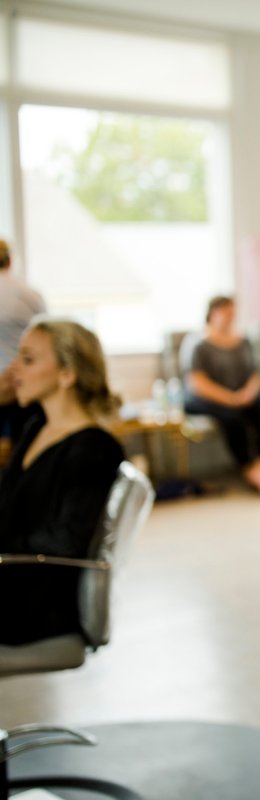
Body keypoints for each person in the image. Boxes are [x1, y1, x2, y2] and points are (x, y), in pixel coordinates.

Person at [0, 318, 125, 645]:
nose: (14, 369)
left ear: (67, 374)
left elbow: (65, 541)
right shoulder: (36, 427)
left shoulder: (94, 448)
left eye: (28, 360)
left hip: (37, 601)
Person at [182, 296, 260, 496]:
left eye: (233, 313)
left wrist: (248, 393)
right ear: (212, 313)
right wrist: (230, 399)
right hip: (209, 398)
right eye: (226, 312)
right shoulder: (198, 344)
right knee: (232, 419)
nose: (231, 317)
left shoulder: (243, 341)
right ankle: (249, 469)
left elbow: (256, 373)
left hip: (242, 395)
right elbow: (198, 383)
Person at [0, 238, 47, 464]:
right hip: (21, 383)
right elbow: (45, 339)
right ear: (10, 260)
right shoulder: (29, 294)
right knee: (24, 454)